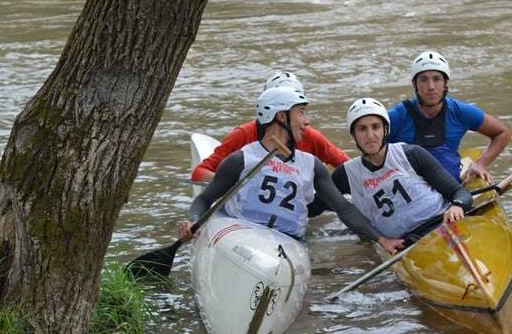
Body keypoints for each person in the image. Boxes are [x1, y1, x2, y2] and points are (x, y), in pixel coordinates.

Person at [178, 87, 404, 254]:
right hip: (244, 239)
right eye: (302, 113)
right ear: (281, 116)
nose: (307, 121)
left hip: (290, 244)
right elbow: (204, 199)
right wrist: (193, 221)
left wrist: (380, 238)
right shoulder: (241, 159)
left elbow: (343, 208)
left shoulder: (311, 165)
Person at [330, 97, 474, 244]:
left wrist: (458, 205)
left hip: (442, 223)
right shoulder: (345, 175)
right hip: (403, 244)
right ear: (353, 134)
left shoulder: (411, 154)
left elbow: (460, 192)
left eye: (376, 127)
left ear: (385, 130)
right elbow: (312, 207)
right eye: (362, 129)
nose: (370, 135)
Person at [190, 71, 349, 183]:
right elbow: (199, 172)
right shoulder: (242, 135)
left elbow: (347, 167)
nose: (305, 120)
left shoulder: (311, 137)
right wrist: (234, 185)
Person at [386, 50, 511, 184]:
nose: (431, 86)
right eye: (423, 80)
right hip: (409, 191)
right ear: (414, 84)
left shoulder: (460, 112)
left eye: (437, 79)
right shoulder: (395, 117)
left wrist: (481, 164)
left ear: (445, 83)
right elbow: (371, 154)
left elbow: (502, 133)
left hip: (450, 191)